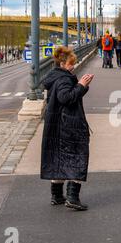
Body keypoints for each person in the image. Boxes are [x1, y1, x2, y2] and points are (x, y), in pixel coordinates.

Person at [41, 46, 94, 211]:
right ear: (63, 63)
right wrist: (81, 85)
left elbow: (66, 97)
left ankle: (56, 196)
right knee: (78, 157)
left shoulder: (55, 76)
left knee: (59, 158)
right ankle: (72, 197)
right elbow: (66, 98)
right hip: (69, 124)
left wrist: (81, 86)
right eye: (72, 64)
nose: (74, 66)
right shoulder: (64, 78)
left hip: (57, 124)